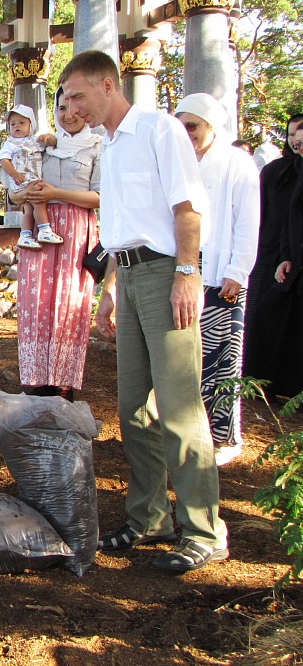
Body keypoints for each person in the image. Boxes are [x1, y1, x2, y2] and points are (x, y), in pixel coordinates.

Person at [60, 50, 228, 572]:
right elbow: (119, 225)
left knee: (179, 404)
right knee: (133, 407)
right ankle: (149, 517)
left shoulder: (159, 129)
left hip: (164, 275)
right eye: (66, 99)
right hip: (128, 277)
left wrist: (186, 273)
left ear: (108, 85)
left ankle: (204, 528)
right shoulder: (108, 145)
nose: (73, 107)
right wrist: (110, 290)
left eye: (79, 96)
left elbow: (187, 206)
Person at [174, 93, 260, 467]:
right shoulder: (178, 161)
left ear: (211, 125)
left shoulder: (237, 162)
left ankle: (224, 437)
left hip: (222, 274)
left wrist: (238, 271)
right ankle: (190, 433)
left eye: (192, 126)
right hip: (185, 271)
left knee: (222, 358)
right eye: (181, 126)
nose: (186, 133)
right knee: (186, 357)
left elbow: (247, 222)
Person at [9, 88, 102, 402]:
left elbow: (99, 197)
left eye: (76, 107)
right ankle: (36, 384)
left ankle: (63, 386)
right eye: (62, 108)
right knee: (36, 302)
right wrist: (23, 196)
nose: (69, 114)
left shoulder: (97, 147)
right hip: (38, 231)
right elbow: (15, 189)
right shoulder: (41, 146)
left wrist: (55, 194)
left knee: (68, 302)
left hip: (75, 232)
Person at [244, 121, 303, 398]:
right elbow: (263, 214)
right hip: (270, 253)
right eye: (292, 136)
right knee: (261, 316)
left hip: (291, 257)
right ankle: (258, 382)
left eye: (300, 137)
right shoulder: (275, 171)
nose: (295, 142)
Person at [0, 105, 63, 250]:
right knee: (39, 202)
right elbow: (3, 160)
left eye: (22, 123)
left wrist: (49, 138)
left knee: (28, 209)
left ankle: (25, 235)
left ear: (31, 124)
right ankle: (45, 230)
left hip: (30, 179)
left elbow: (53, 142)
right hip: (23, 180)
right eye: (13, 124)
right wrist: (14, 174)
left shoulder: (35, 140)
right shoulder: (9, 144)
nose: (17, 126)